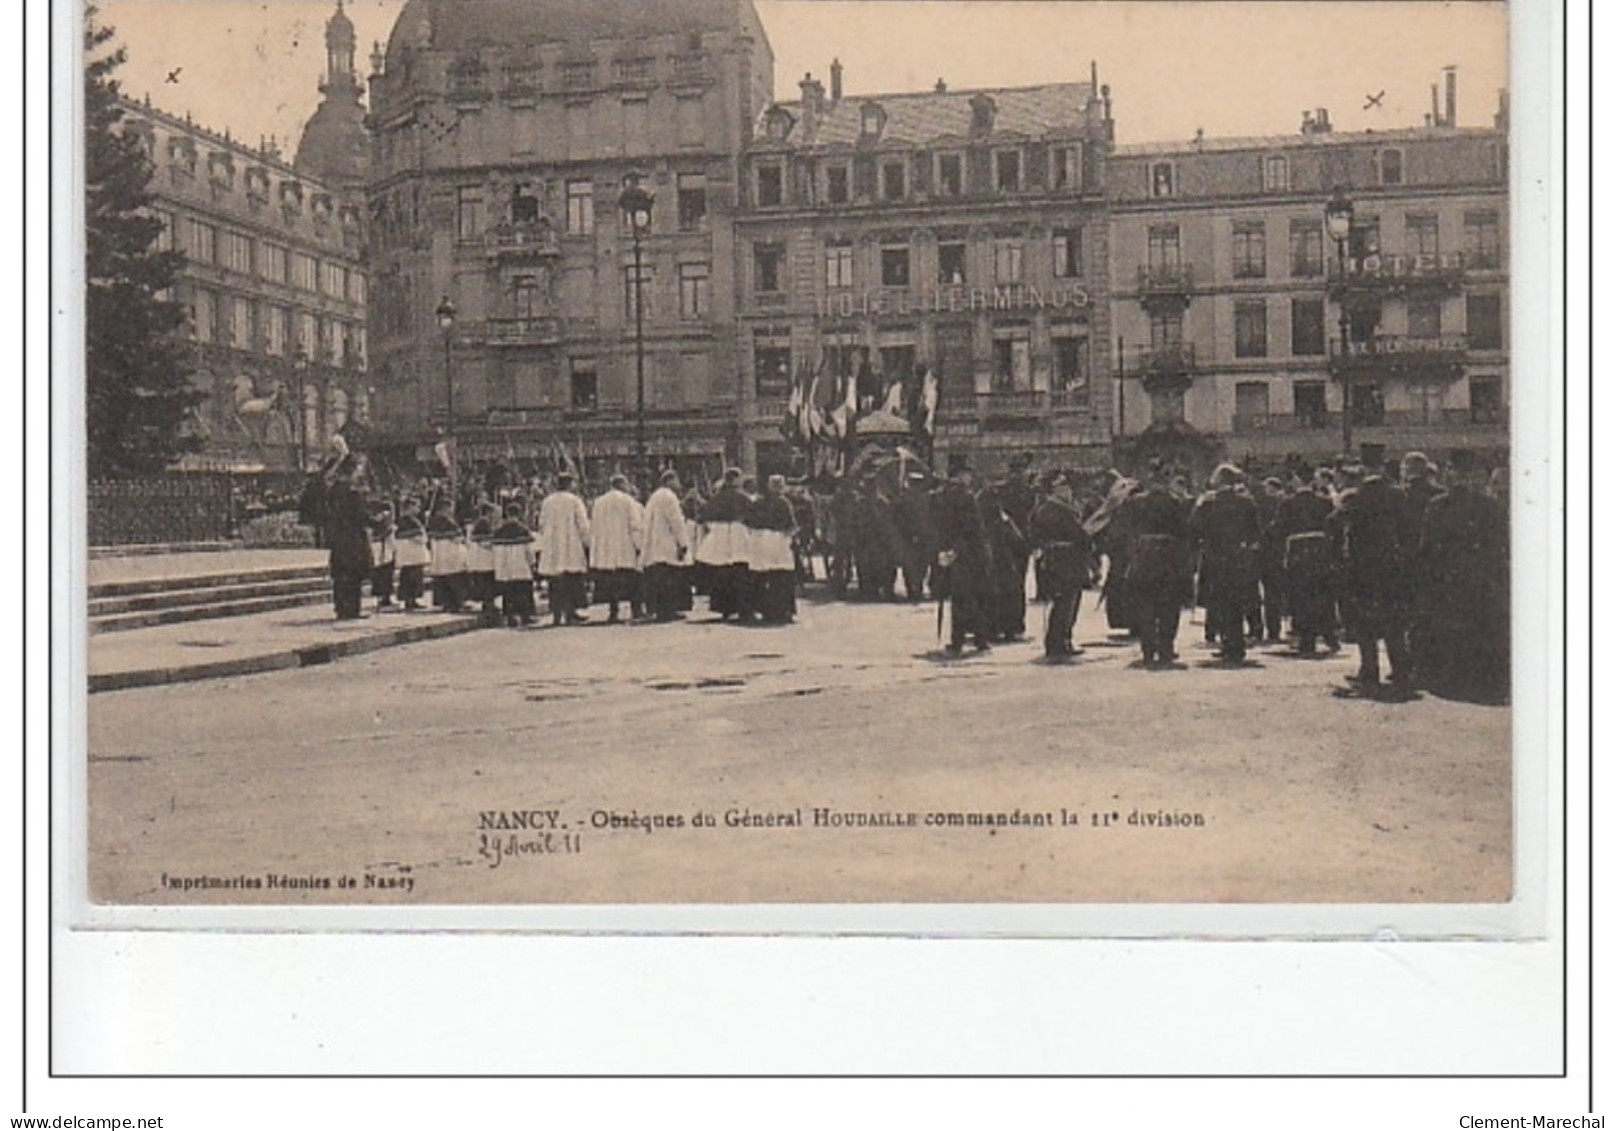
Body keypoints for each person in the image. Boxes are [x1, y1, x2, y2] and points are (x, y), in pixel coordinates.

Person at [1329, 464, 1417, 699]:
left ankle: (1370, 670)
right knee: (1394, 624)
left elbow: (1334, 521)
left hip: (1364, 571)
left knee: (1365, 626)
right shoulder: (1397, 499)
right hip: (1391, 569)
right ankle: (1401, 670)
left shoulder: (1356, 501)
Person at [1112, 461, 1191, 667]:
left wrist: (1131, 555)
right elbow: (1186, 534)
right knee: (1169, 606)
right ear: (1166, 481)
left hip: (1143, 558)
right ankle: (1166, 648)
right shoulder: (1176, 502)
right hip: (1168, 559)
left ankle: (1148, 649)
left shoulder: (1134, 502)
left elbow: (1122, 532)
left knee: (1145, 605)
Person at [1189, 464, 1263, 664]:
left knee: (1219, 602)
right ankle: (1235, 645)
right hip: (1239, 558)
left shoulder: (1208, 502)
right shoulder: (1246, 502)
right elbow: (1256, 530)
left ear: (1218, 480)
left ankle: (1228, 643)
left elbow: (1195, 527)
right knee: (1237, 602)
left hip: (1215, 557)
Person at [1270, 472, 1339, 655]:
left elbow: (1278, 528)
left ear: (1296, 480)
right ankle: (1329, 634)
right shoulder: (1325, 502)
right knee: (1322, 595)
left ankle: (1306, 638)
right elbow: (1333, 526)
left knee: (1300, 596)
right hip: (1320, 553)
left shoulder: (1287, 503)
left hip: (1298, 552)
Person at [1027, 472, 1094, 660]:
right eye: (1064, 488)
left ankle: (1056, 642)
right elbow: (1079, 536)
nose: (1068, 491)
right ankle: (1061, 642)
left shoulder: (1041, 510)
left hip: (1052, 562)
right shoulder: (1062, 511)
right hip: (1068, 561)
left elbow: (1033, 536)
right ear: (1056, 490)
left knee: (1060, 604)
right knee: (1067, 604)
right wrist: (1088, 539)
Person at [931, 463, 995, 655]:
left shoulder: (939, 496)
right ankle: (980, 639)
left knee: (957, 598)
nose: (970, 478)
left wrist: (943, 550)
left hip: (947, 553)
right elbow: (973, 528)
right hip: (969, 554)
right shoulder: (965, 496)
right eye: (967, 474)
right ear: (960, 476)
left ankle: (957, 639)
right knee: (973, 597)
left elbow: (935, 525)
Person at [322, 452, 372, 621]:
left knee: (342, 576)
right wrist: (376, 520)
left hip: (339, 539)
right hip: (353, 539)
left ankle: (342, 609)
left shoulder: (334, 489)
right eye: (360, 467)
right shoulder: (351, 492)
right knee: (352, 575)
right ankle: (351, 610)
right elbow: (360, 515)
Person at [537, 470, 592, 626]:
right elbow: (583, 524)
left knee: (555, 581)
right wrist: (587, 543)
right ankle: (570, 612)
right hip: (570, 544)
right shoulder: (574, 501)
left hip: (553, 546)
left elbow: (541, 524)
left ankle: (556, 614)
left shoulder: (547, 502)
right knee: (571, 580)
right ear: (570, 484)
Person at [589, 474, 644, 624]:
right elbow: (635, 525)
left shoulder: (599, 502)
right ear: (623, 484)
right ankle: (636, 610)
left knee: (611, 583)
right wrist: (639, 546)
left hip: (607, 548)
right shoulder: (628, 501)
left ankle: (613, 611)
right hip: (625, 546)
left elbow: (593, 526)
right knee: (632, 581)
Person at [696, 469, 750, 621]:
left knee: (722, 572)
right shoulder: (742, 497)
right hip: (738, 534)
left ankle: (724, 607)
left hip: (720, 536)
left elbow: (704, 515)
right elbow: (751, 514)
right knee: (740, 571)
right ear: (736, 480)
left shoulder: (717, 498)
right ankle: (742, 607)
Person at [745, 475, 799, 625]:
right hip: (779, 540)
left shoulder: (758, 502)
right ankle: (783, 611)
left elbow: (748, 521)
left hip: (760, 540)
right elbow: (792, 525)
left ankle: (764, 609)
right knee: (783, 577)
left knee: (762, 576)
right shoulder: (784, 503)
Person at [641, 469, 692, 622]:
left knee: (658, 581)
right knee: (670, 582)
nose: (678, 484)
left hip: (654, 546)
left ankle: (659, 610)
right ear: (670, 480)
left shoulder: (654, 497)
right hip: (667, 545)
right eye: (676, 480)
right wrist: (683, 543)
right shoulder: (670, 497)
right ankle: (669, 611)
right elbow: (676, 522)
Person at [491, 500, 537, 627]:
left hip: (505, 568)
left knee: (508, 593)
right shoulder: (523, 530)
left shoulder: (499, 531)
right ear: (520, 514)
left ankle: (510, 616)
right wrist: (532, 563)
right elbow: (529, 550)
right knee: (523, 592)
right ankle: (525, 616)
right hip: (520, 566)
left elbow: (495, 551)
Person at [426, 498, 467, 613]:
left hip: (438, 554)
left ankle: (445, 603)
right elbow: (458, 538)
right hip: (450, 553)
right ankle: (455, 603)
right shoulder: (450, 522)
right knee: (454, 579)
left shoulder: (432, 522)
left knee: (441, 579)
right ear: (446, 508)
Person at [393, 496, 429, 611]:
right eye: (416, 506)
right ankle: (410, 599)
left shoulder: (405, 520)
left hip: (409, 554)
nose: (418, 509)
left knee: (410, 576)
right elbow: (417, 537)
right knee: (412, 577)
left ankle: (410, 599)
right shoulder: (409, 521)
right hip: (412, 553)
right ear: (410, 507)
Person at [466, 503, 499, 623]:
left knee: (486, 581)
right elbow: (484, 541)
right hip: (484, 557)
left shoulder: (481, 523)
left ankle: (488, 603)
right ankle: (488, 604)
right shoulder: (484, 523)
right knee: (487, 581)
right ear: (489, 512)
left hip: (482, 558)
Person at [368, 500, 397, 612]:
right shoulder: (382, 521)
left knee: (387, 573)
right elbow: (380, 534)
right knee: (383, 573)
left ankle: (386, 597)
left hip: (388, 549)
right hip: (382, 550)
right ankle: (382, 597)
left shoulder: (388, 521)